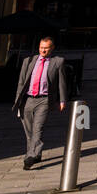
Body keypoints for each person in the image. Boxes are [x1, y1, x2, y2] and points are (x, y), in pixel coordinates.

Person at [12, 36, 72, 170]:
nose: (43, 50)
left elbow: (62, 82)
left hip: (44, 100)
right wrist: (18, 101)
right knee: (29, 131)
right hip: (27, 99)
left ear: (52, 48)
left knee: (38, 128)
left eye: (46, 48)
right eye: (41, 48)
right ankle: (36, 154)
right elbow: (21, 83)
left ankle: (30, 157)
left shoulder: (57, 62)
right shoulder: (28, 61)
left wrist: (62, 100)